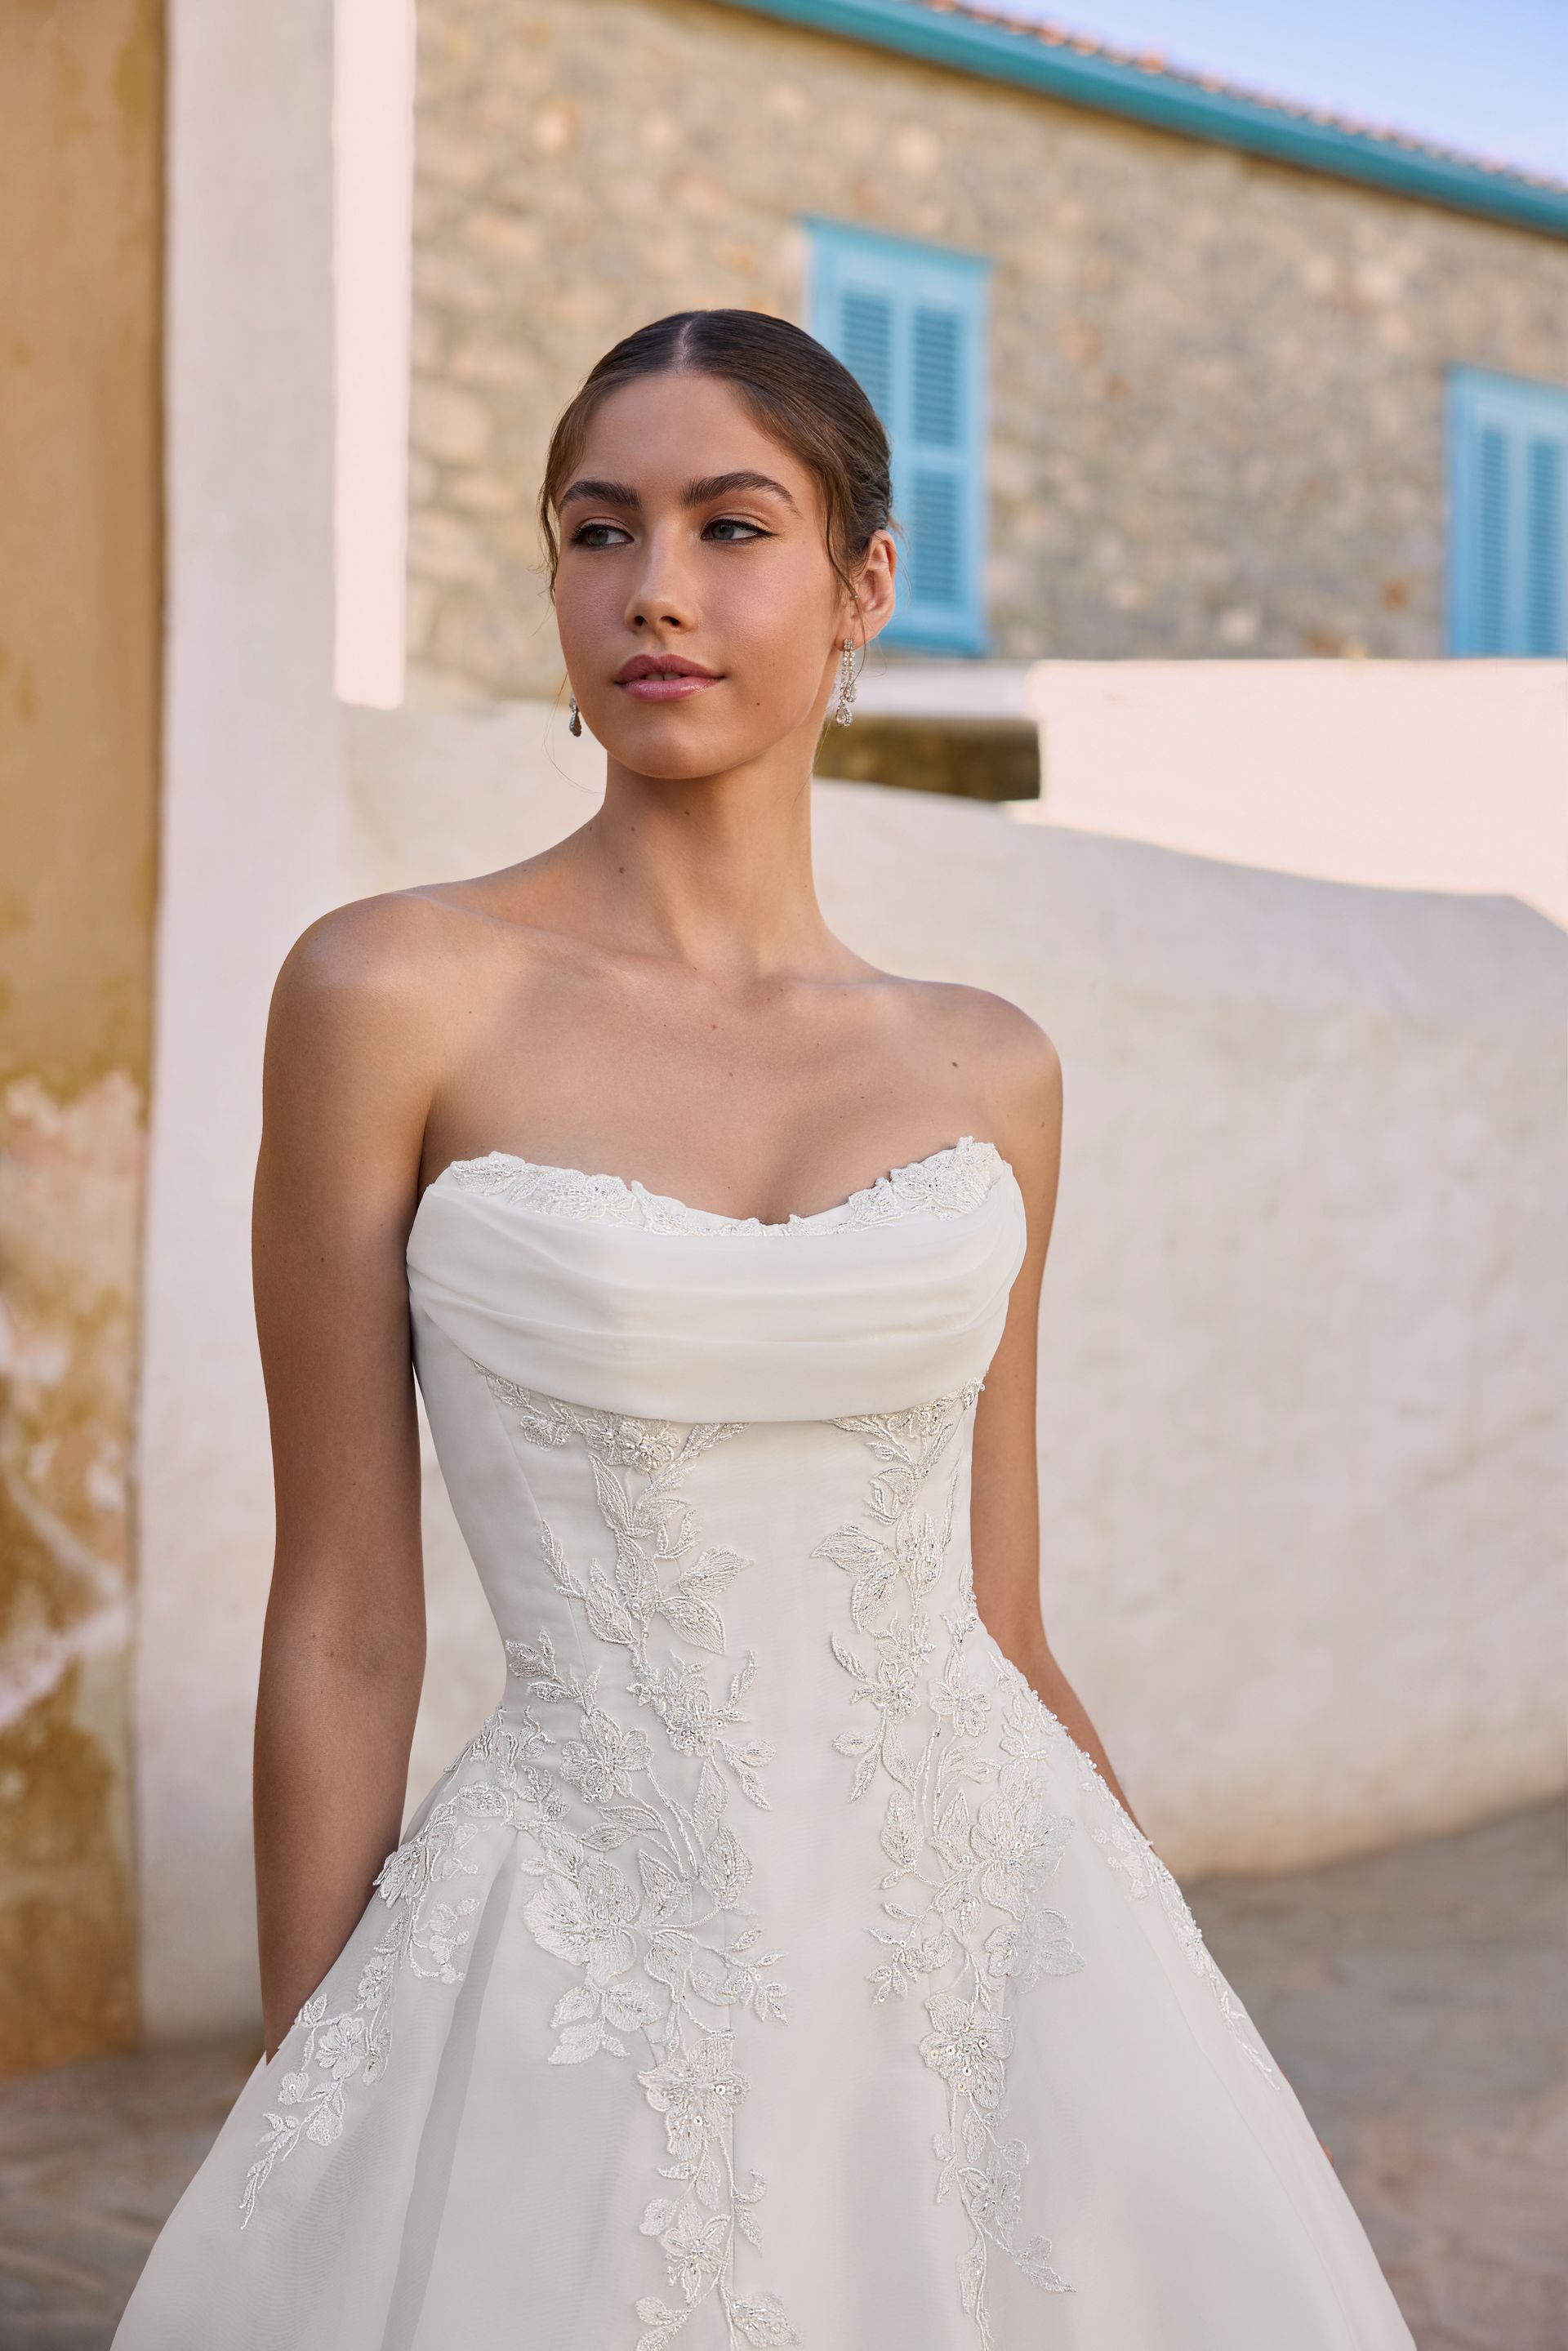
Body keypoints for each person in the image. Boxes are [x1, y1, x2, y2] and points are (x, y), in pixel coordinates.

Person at [114, 309, 1414, 2349]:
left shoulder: (994, 1072)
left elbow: (998, 1617)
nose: (656, 594)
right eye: (595, 530)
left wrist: (1158, 1994)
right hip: (583, 1935)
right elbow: (350, 1613)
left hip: (988, 1933)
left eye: (734, 527)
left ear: (864, 581)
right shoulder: (393, 991)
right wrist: (318, 2093)